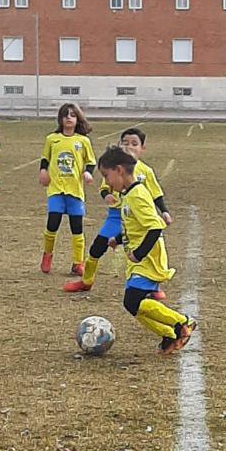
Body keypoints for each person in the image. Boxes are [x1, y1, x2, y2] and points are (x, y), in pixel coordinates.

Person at [97, 145, 196, 355]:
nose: (107, 182)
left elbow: (155, 227)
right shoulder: (128, 194)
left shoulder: (138, 195)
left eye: (106, 176)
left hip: (148, 257)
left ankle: (182, 323)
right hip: (139, 259)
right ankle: (169, 334)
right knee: (133, 304)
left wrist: (139, 253)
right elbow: (135, 226)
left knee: (133, 301)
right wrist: (118, 239)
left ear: (119, 170)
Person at [63, 126, 172, 295]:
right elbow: (104, 187)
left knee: (148, 249)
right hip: (116, 216)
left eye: (134, 143)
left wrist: (164, 211)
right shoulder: (113, 168)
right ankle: (86, 281)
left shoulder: (145, 171)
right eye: (125, 142)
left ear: (142, 148)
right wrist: (106, 195)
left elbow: (156, 193)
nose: (129, 146)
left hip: (137, 218)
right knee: (97, 248)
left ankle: (154, 287)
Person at [39, 103, 95, 276]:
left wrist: (88, 172)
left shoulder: (83, 141)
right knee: (52, 224)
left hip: (75, 191)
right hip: (56, 190)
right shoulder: (52, 139)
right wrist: (43, 171)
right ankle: (47, 255)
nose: (69, 118)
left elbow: (91, 162)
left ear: (78, 119)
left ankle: (78, 263)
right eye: (65, 115)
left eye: (72, 115)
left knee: (76, 228)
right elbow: (45, 159)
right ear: (60, 119)